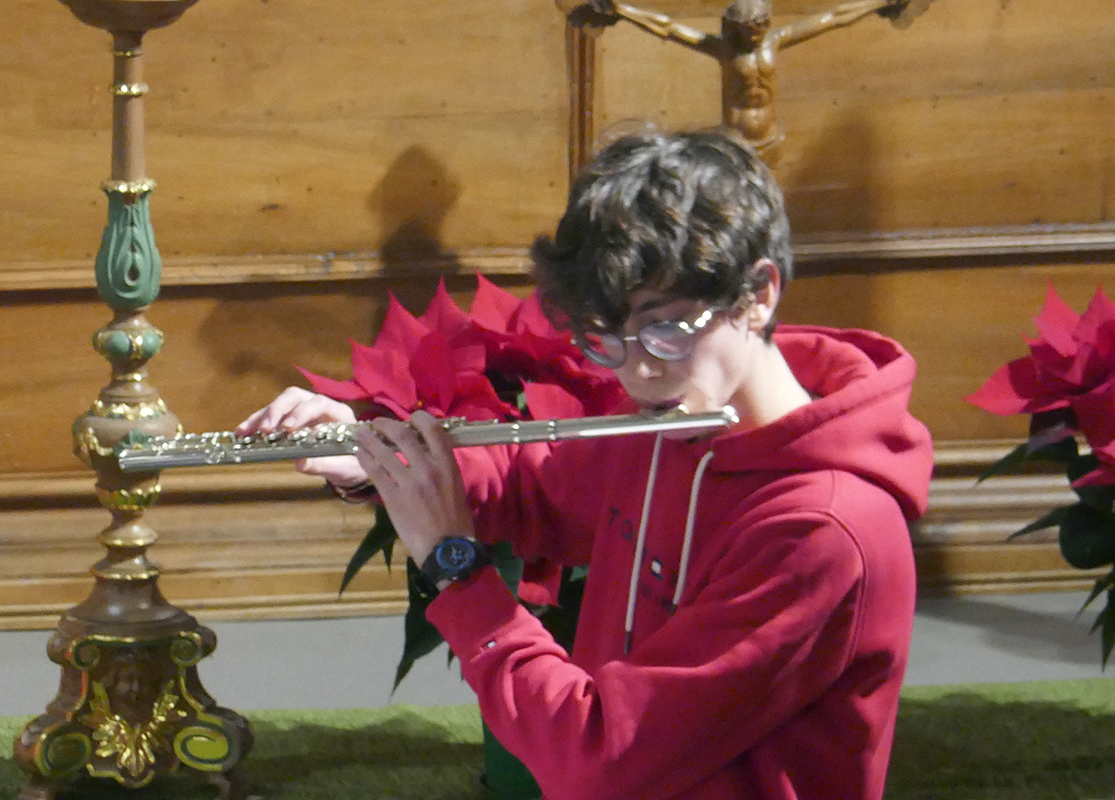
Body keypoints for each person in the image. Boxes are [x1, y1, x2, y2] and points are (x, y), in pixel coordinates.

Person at [237, 128, 934, 799]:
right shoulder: (680, 425)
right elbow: (537, 489)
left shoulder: (822, 532)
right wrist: (377, 459)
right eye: (605, 341)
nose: (637, 373)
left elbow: (601, 758)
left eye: (664, 328)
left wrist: (456, 567)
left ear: (758, 294)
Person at [560, 0, 934, 163]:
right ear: (735, 28)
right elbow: (669, 28)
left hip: (769, 139)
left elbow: (832, 18)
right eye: (748, 30)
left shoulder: (774, 42)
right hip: (734, 142)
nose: (755, 35)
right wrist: (621, 10)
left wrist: (878, 3)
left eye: (760, 28)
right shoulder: (724, 50)